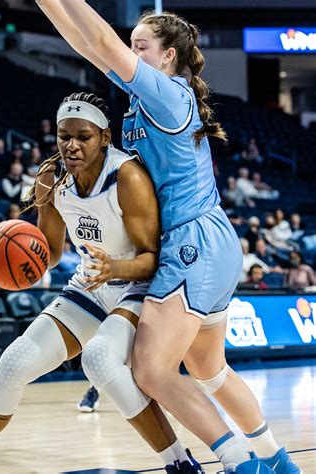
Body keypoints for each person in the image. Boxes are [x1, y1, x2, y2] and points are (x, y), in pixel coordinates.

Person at [36, 4, 299, 473]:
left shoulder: (168, 93)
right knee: (208, 370)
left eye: (140, 46)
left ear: (168, 56)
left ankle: (243, 465)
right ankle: (276, 461)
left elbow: (101, 43)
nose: (129, 52)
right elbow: (86, 46)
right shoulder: (145, 97)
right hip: (210, 241)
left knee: (152, 370)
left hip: (190, 242)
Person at [0, 93, 202, 474]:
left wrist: (114, 267)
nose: (72, 144)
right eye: (64, 136)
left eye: (83, 136)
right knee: (13, 363)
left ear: (104, 136)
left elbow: (152, 258)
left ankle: (181, 464)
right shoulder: (50, 178)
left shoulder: (126, 177)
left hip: (137, 285)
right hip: (89, 285)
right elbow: (47, 252)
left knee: (98, 359)